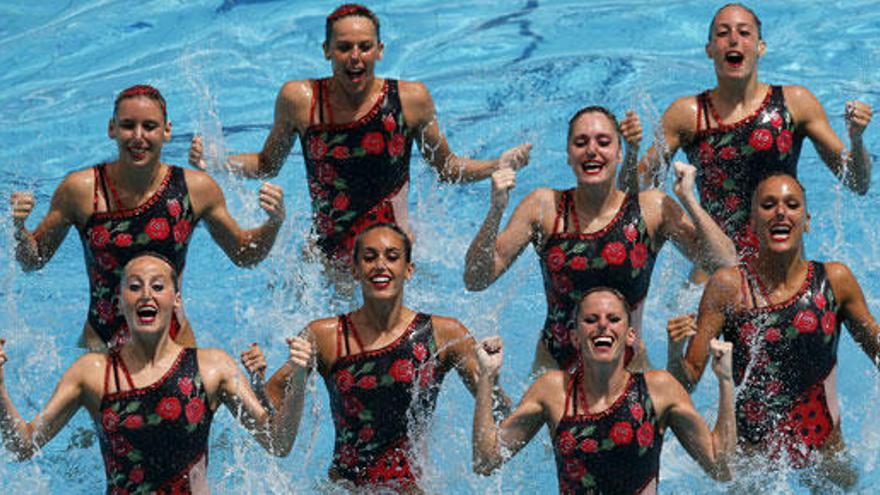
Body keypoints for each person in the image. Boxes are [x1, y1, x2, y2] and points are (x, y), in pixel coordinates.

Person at [189, 3, 530, 270]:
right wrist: (218, 161)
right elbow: (267, 164)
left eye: (365, 47)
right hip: (329, 253)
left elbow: (446, 167)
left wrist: (495, 165)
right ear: (326, 50)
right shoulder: (300, 100)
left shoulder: (410, 100)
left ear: (380, 50)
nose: (355, 57)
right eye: (344, 47)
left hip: (392, 249)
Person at [0, 253, 306, 493]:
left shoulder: (211, 367)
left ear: (176, 299)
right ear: (120, 303)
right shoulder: (92, 373)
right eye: (134, 287)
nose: (146, 294)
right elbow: (24, 445)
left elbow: (278, 443)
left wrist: (300, 381)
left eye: (158, 286)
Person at [11, 85, 286, 349]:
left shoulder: (196, 189)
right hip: (103, 346)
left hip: (173, 347)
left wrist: (273, 223)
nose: (138, 137)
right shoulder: (81, 190)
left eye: (150, 126)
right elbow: (33, 260)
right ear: (112, 129)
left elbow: (243, 254)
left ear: (167, 131)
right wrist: (19, 228)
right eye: (128, 125)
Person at [464, 106, 736, 372]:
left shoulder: (651, 209)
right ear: (568, 156)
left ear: (619, 154)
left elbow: (725, 263)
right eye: (580, 142)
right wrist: (495, 210)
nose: (591, 150)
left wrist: (689, 201)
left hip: (628, 371)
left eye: (603, 142)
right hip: (557, 373)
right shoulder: (543, 207)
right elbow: (476, 280)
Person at [252, 223, 509, 491]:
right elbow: (271, 411)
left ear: (409, 270)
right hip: (344, 489)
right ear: (354, 270)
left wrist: (490, 377)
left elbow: (501, 413)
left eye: (392, 257)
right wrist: (260, 382)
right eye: (370, 257)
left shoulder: (444, 334)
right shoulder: (325, 336)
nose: (380, 265)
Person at [666, 173, 880, 487]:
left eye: (792, 205)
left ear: (806, 220)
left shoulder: (835, 280)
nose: (780, 212)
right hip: (754, 462)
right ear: (752, 222)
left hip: (825, 456)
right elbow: (687, 382)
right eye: (768, 205)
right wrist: (674, 350)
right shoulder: (729, 287)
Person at [638, 3, 872, 262]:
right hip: (718, 271)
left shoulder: (795, 103)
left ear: (761, 47)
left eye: (744, 33)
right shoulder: (687, 114)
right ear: (709, 49)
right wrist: (631, 151)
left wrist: (857, 139)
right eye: (723, 33)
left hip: (782, 269)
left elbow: (857, 183)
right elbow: (632, 194)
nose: (734, 40)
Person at [472, 288, 736, 494]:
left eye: (614, 319)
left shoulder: (659, 390)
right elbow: (485, 462)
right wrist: (486, 377)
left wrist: (725, 381)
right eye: (590, 319)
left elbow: (720, 467)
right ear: (575, 337)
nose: (602, 326)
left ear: (630, 335)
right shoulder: (553, 392)